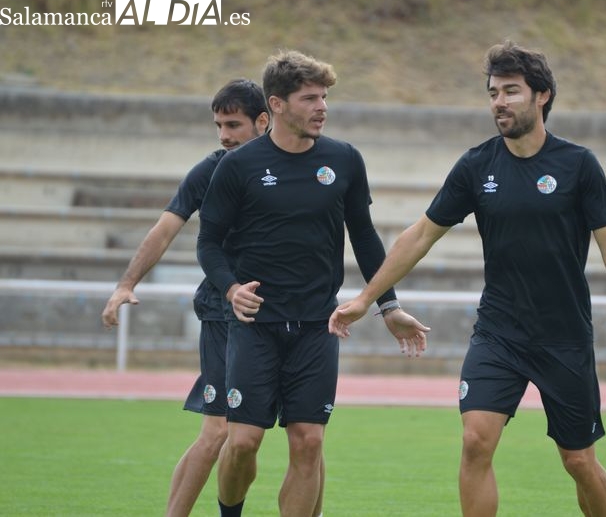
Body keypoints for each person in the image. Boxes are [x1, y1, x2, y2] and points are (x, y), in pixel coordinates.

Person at [329, 40, 606, 517]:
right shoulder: (476, 166)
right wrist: (368, 297)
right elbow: (422, 234)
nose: (499, 103)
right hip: (499, 332)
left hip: (563, 336)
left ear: (542, 95)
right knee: (475, 442)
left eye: (511, 91)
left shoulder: (578, 165)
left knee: (578, 460)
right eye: (493, 93)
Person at [196, 49, 428, 517]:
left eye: (324, 97)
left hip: (318, 325)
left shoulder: (344, 160)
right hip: (256, 325)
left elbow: (364, 238)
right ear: (277, 105)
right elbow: (208, 243)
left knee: (308, 442)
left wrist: (388, 305)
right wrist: (229, 288)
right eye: (310, 98)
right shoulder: (238, 166)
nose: (322, 106)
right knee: (242, 442)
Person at [101, 78, 272, 517]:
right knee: (217, 432)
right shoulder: (210, 170)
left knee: (298, 435)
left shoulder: (293, 166)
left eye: (233, 124)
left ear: (263, 121)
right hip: (223, 313)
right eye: (218, 125)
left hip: (285, 316)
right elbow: (165, 228)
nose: (224, 135)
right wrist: (127, 284)